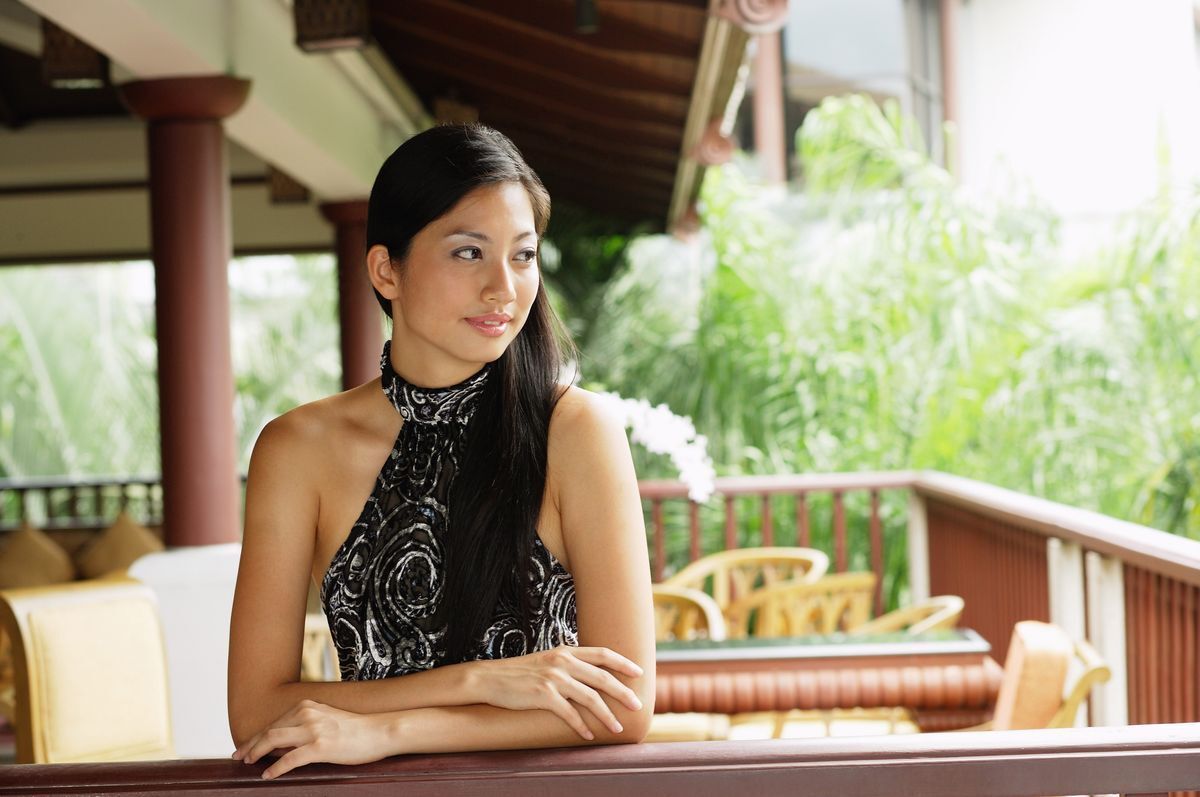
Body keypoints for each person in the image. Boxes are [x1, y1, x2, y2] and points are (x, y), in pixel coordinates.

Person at [227, 124, 655, 780]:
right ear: (385, 269)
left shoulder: (577, 432)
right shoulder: (296, 451)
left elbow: (622, 707)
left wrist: (388, 731)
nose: (502, 289)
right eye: (467, 253)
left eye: (522, 255)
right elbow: (258, 710)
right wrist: (483, 681)